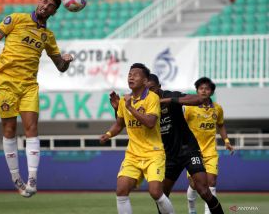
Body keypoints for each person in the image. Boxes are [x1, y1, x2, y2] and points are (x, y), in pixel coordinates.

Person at [0, 0, 74, 198]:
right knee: (9, 128)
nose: (45, 7)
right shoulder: (16, 19)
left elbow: (60, 67)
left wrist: (66, 60)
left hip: (29, 85)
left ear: (54, 12)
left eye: (50, 6)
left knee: (32, 128)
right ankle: (15, 177)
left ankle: (33, 179)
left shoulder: (48, 37)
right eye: (44, 2)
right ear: (39, 2)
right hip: (6, 82)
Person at [110, 73, 224, 214]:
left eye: (152, 89)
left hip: (188, 149)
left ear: (159, 87)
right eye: (146, 90)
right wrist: (117, 109)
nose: (149, 93)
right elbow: (127, 123)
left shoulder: (169, 95)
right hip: (167, 155)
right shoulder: (142, 104)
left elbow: (200, 99)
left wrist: (169, 100)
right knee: (161, 195)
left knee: (204, 190)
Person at [100, 63, 175, 214]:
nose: (131, 76)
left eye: (135, 74)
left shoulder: (152, 98)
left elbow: (150, 122)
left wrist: (130, 108)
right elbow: (120, 124)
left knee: (155, 192)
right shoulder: (123, 101)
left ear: (145, 81)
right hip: (133, 155)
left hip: (153, 153)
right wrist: (108, 134)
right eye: (129, 74)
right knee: (121, 190)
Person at [184, 77, 234, 214]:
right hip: (193, 152)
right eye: (201, 88)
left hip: (211, 152)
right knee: (194, 185)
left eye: (207, 89)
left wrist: (227, 142)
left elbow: (221, 125)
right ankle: (192, 208)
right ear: (197, 91)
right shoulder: (189, 108)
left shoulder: (217, 109)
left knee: (211, 183)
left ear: (211, 92)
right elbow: (181, 126)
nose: (204, 91)